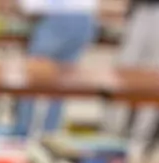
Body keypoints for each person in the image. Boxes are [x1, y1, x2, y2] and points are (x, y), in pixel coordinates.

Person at [103, 0, 159, 143]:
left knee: (157, 78)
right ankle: (110, 133)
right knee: (123, 72)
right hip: (141, 11)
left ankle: (140, 136)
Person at [13, 0, 99, 136]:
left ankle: (23, 135)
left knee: (32, 81)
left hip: (56, 17)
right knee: (59, 86)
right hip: (84, 19)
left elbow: (30, 6)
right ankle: (48, 136)